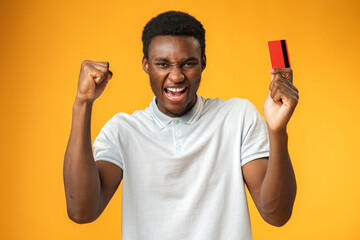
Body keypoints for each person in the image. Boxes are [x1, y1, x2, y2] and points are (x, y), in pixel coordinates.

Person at [64, 11, 298, 240]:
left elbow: (276, 214)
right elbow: (82, 211)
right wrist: (82, 103)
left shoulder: (237, 117)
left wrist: (277, 132)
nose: (176, 76)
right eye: (163, 64)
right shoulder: (123, 131)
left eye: (188, 64)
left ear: (203, 63)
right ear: (146, 65)